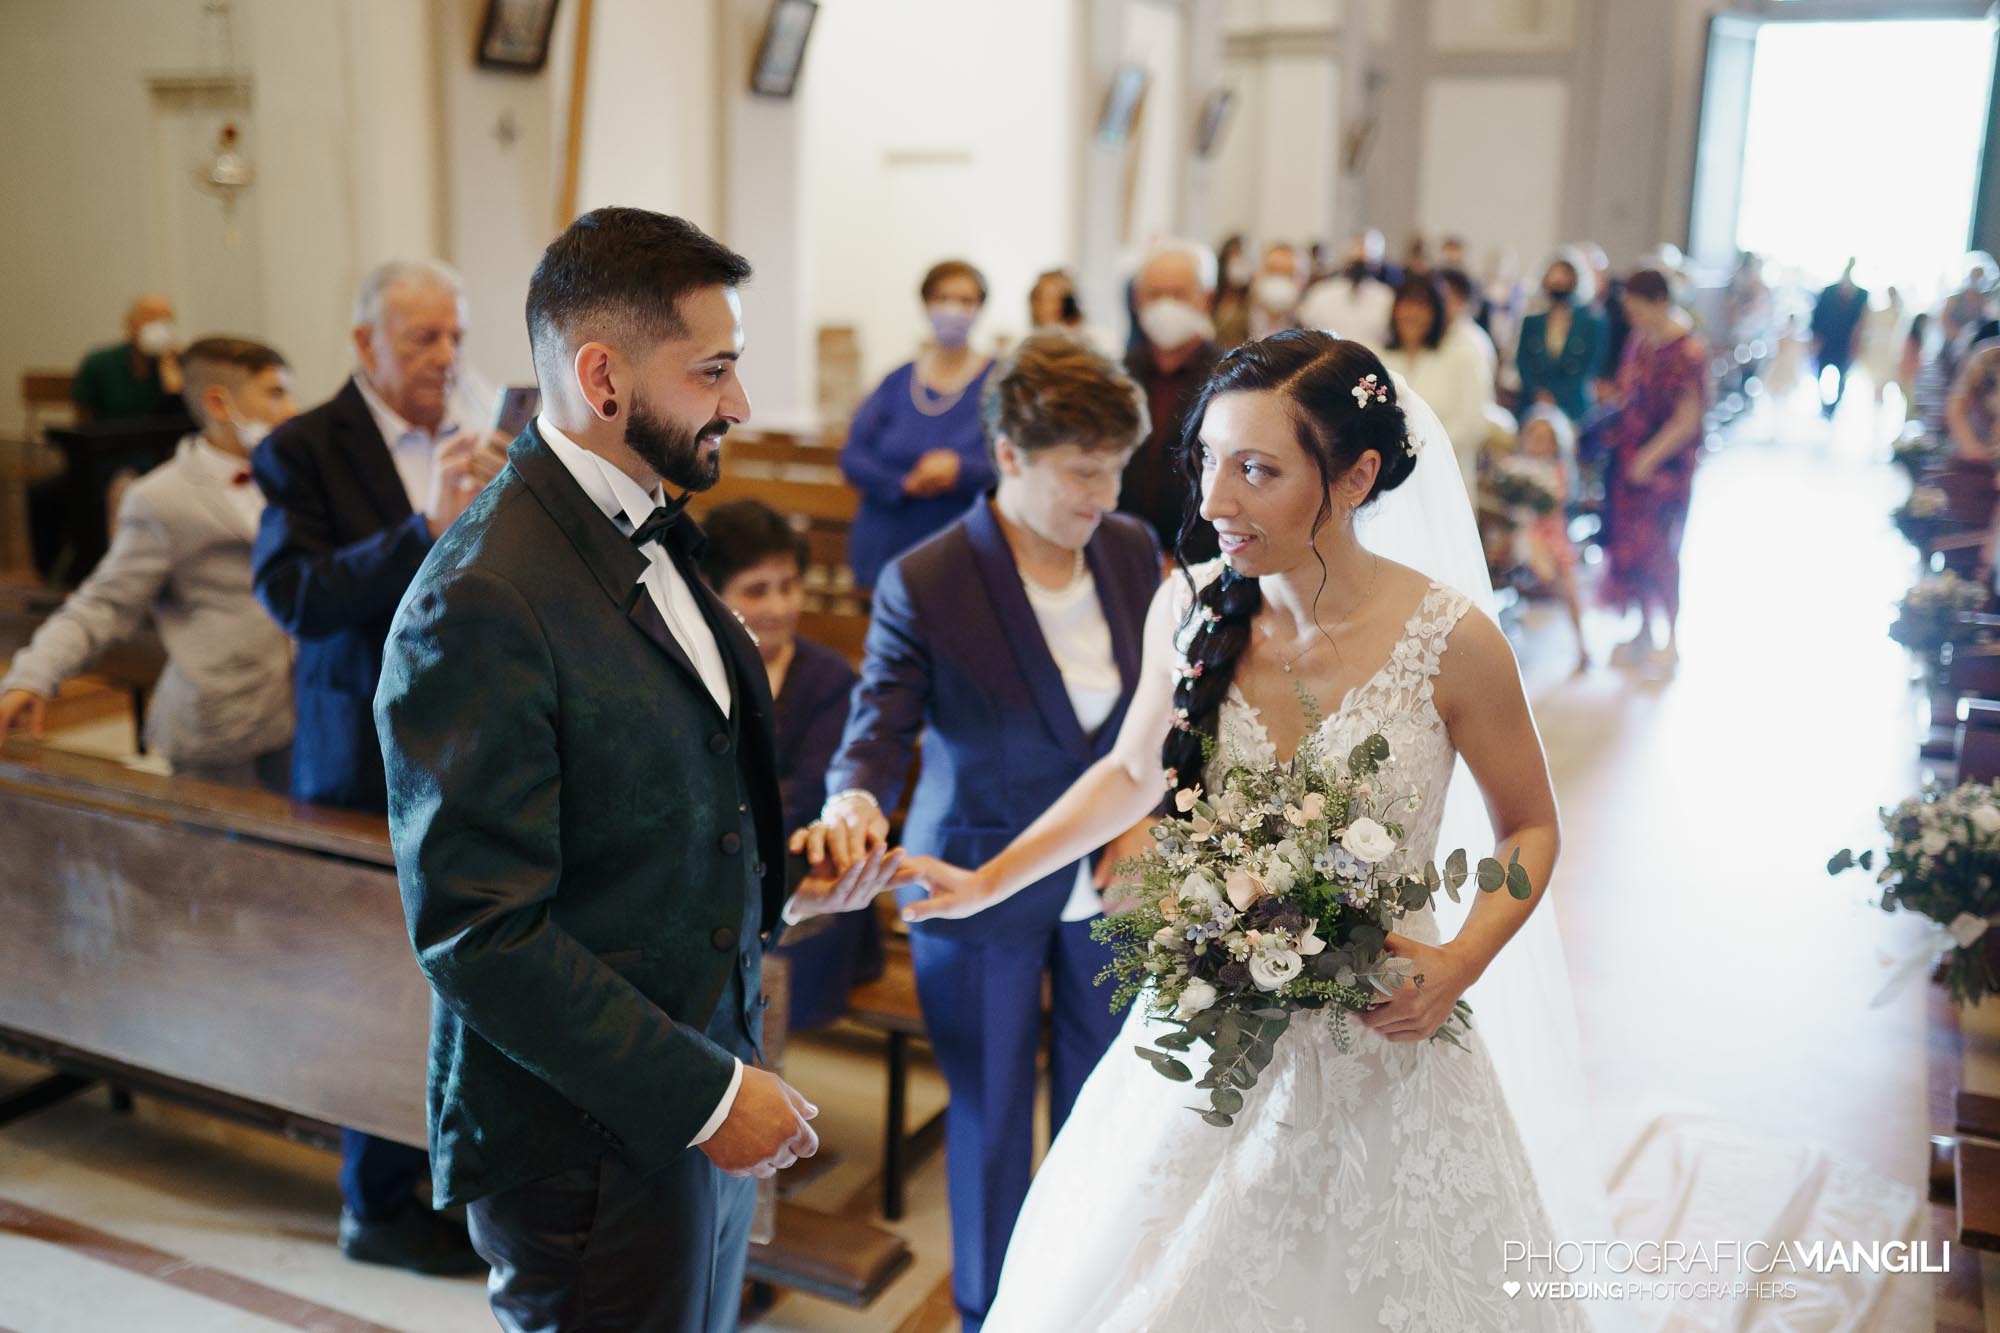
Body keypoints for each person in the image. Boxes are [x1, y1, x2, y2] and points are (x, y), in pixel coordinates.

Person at [881, 331, 1590, 1331]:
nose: (1214, 499)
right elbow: (1131, 770)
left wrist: (1460, 959)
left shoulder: (1450, 639)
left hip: (1381, 1034)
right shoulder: (1189, 604)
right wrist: (984, 878)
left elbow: (1528, 830)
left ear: (1354, 476)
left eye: (1255, 469)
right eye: (1206, 461)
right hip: (1204, 1040)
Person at [375, 207, 906, 1332]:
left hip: (685, 1090)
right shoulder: (481, 596)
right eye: (712, 371)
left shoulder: (646, 528)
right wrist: (709, 1094)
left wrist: (789, 881)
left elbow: (650, 816)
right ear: (604, 379)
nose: (740, 404)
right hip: (585, 1137)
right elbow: (478, 934)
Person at [809, 332, 1162, 1332]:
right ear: (1009, 455)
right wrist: (852, 800)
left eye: (1117, 468)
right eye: (1081, 472)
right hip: (975, 873)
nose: (1104, 493)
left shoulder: (1133, 549)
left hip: (1118, 879)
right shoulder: (926, 578)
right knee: (991, 1114)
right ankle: (987, 1313)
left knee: (1109, 1107)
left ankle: (1092, 1301)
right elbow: (876, 726)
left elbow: (1173, 715)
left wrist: (1153, 821)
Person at [251, 258, 504, 1274]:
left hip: (471, 745)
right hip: (359, 756)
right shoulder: (301, 448)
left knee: (457, 977)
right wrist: (421, 532)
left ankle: (448, 1176)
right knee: (376, 988)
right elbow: (295, 596)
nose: (447, 359)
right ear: (365, 346)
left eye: (455, 336)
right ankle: (377, 1204)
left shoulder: (475, 437)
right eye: (422, 341)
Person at [1, 337, 297, 788]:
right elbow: (103, 604)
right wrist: (33, 675)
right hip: (222, 719)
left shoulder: (297, 476)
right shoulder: (163, 498)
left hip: (302, 709)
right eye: (275, 393)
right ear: (219, 402)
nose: (292, 409)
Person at [699, 499, 881, 1030]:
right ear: (712, 591)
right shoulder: (693, 668)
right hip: (718, 872)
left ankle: (760, 1089)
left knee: (737, 932)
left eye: (789, 585)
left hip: (802, 873)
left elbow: (804, 804)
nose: (779, 606)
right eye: (757, 589)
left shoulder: (827, 679)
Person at [840, 260, 998, 588]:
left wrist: (961, 470)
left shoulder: (998, 383)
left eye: (965, 301)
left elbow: (1017, 460)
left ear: (980, 307)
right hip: (885, 550)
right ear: (926, 303)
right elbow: (853, 456)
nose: (953, 309)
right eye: (942, 298)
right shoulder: (896, 382)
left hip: (962, 553)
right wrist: (903, 483)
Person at [1602, 267, 1709, 669]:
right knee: (1632, 547)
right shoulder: (1639, 341)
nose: (1632, 316)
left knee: (1664, 549)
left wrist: (1650, 458)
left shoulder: (1687, 352)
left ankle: (1673, 639)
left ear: (1660, 302)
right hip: (1630, 460)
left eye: (1637, 307)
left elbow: (1687, 420)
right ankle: (1644, 629)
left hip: (1666, 469)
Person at [1121, 240, 1222, 560]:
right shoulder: (1119, 374)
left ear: (1206, 299)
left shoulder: (1234, 378)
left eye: (1179, 294)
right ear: (1137, 301)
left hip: (1200, 560)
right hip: (1122, 553)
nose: (1166, 305)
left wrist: (1185, 565)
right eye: (1155, 294)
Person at [1379, 274, 1494, 505]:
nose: (1411, 314)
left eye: (1421, 306)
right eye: (1406, 304)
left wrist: (1417, 449)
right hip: (1390, 480)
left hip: (1444, 478)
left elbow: (1473, 423)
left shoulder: (1463, 356)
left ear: (1437, 312)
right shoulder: (1380, 357)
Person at [1512, 406, 1588, 671]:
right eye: (1535, 438)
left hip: (1554, 533)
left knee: (1569, 584)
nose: (1540, 445)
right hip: (1527, 533)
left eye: (1546, 440)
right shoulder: (1517, 469)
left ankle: (1582, 646)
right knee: (1537, 559)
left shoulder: (1559, 471)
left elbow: (1556, 502)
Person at [1514, 251, 1608, 424]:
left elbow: (1590, 365)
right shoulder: (1532, 322)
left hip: (1572, 404)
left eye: (1564, 275)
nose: (1558, 281)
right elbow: (1522, 362)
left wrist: (1557, 395)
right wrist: (1540, 394)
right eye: (1554, 275)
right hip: (1535, 403)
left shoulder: (1591, 323)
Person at [72, 294, 184, 421]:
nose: (159, 324)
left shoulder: (183, 364)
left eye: (166, 319)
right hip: (110, 437)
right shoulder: (99, 363)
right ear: (130, 322)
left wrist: (174, 387)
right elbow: (83, 416)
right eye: (150, 317)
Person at [1296, 240, 1395, 351]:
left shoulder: (1385, 295)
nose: (1360, 265)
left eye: (1364, 261)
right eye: (1356, 260)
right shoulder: (1321, 292)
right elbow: (1307, 328)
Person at [1810, 258, 1869, 421]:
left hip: (1846, 344)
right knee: (1820, 373)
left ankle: (1833, 408)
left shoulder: (1862, 295)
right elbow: (1817, 316)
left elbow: (1863, 322)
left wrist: (1858, 345)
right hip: (1826, 342)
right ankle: (1824, 405)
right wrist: (1815, 339)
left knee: (1843, 377)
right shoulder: (1828, 291)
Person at [1246, 241, 1303, 342]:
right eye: (1273, 271)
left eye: (1286, 273)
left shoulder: (1305, 316)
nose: (1278, 282)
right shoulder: (1239, 313)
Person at [1211, 234, 1254, 349]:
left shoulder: (1253, 298)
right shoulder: (1213, 295)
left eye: (1242, 256)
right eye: (1233, 255)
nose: (1238, 261)